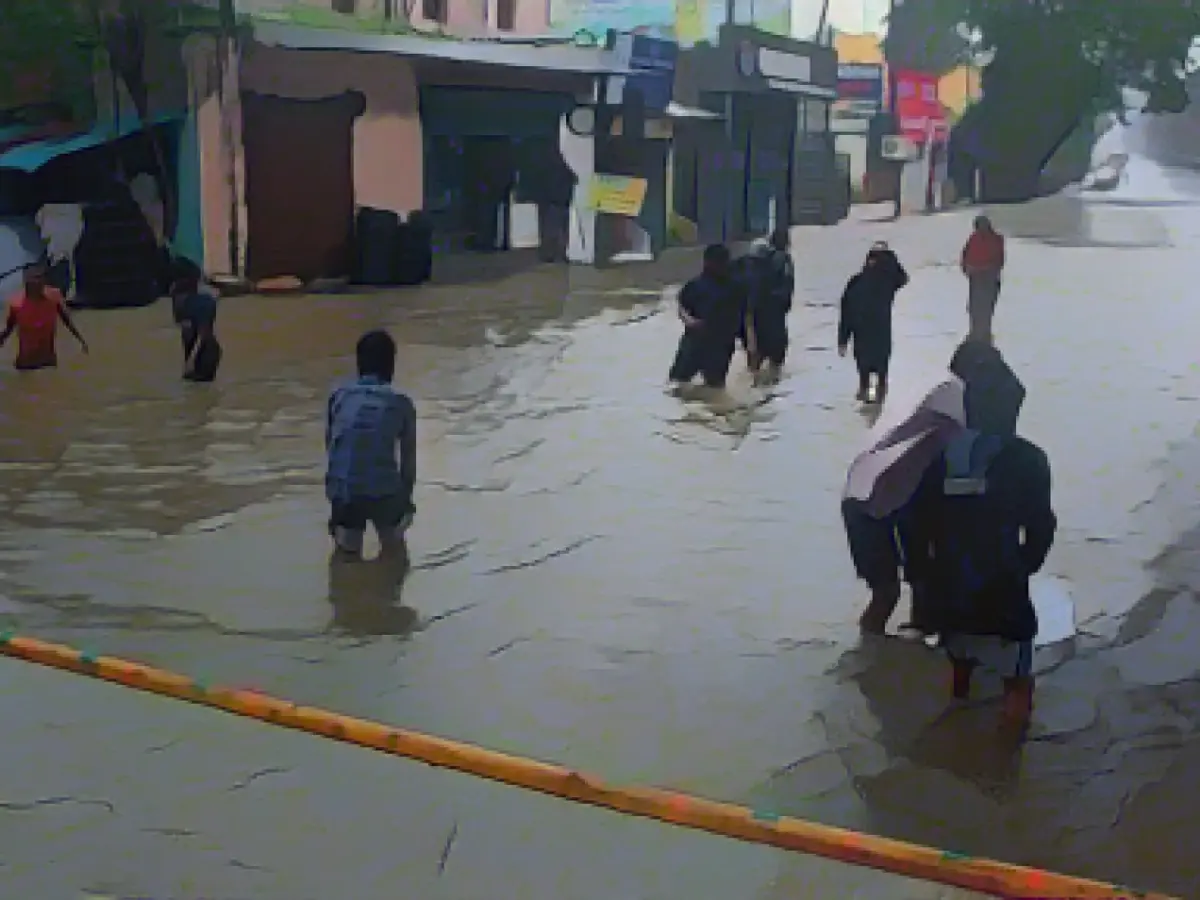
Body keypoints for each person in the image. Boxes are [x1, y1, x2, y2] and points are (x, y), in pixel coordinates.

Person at [902, 343, 1054, 731]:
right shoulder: (1029, 459)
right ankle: (1004, 767)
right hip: (1003, 586)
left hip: (949, 586)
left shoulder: (939, 458)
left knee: (959, 668)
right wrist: (1023, 565)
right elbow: (1041, 527)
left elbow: (915, 527)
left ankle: (953, 737)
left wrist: (922, 583)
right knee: (1017, 682)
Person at [326, 330, 418, 560]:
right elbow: (408, 463)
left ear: (358, 364)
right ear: (392, 365)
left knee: (346, 557)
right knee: (395, 552)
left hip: (345, 491)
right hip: (384, 491)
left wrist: (335, 501)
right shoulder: (401, 403)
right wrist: (406, 505)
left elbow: (332, 447)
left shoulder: (339, 397)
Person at [837, 241, 909, 403]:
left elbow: (845, 313)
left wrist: (842, 340)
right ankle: (876, 407)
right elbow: (902, 278)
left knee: (865, 377)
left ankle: (867, 402)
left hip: (862, 335)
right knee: (880, 378)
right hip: (879, 334)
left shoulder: (857, 282)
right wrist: (889, 256)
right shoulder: (886, 282)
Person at [668, 244, 746, 391]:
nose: (721, 266)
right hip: (695, 342)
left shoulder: (735, 286)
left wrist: (748, 343)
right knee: (676, 384)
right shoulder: (695, 285)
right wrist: (689, 321)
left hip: (720, 345)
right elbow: (682, 307)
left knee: (714, 387)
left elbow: (745, 316)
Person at [0, 260, 88, 370]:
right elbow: (8, 330)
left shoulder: (54, 296)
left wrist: (81, 340)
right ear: (26, 281)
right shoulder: (16, 305)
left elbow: (67, 320)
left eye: (42, 277)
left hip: (48, 362)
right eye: (36, 278)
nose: (40, 281)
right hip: (26, 364)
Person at [743, 228, 795, 384]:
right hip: (775, 320)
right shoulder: (784, 261)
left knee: (754, 363)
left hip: (756, 319)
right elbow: (787, 289)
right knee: (775, 368)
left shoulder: (752, 266)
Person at [169, 258, 222, 383]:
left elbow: (199, 333)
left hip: (202, 353)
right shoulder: (204, 301)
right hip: (206, 350)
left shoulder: (184, 302)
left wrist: (189, 363)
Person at [961, 215, 1005, 342]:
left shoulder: (996, 239)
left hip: (988, 278)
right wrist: (966, 267)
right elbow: (965, 253)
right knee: (974, 307)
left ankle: (984, 332)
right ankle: (975, 331)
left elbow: (999, 259)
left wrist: (990, 270)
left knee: (985, 307)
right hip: (975, 276)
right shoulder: (974, 238)